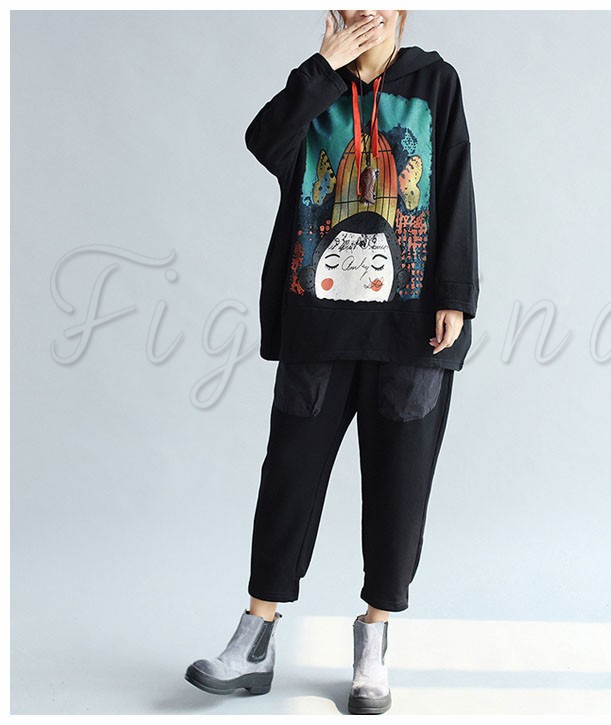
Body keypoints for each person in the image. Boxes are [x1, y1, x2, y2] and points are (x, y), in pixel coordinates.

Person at [184, 9, 479, 715]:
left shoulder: (435, 82)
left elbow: (456, 184)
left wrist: (455, 296)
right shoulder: (316, 88)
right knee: (289, 475)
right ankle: (255, 638)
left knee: (399, 485)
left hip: (410, 329)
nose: (365, 13)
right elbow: (265, 142)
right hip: (317, 322)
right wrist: (321, 69)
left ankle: (374, 641)